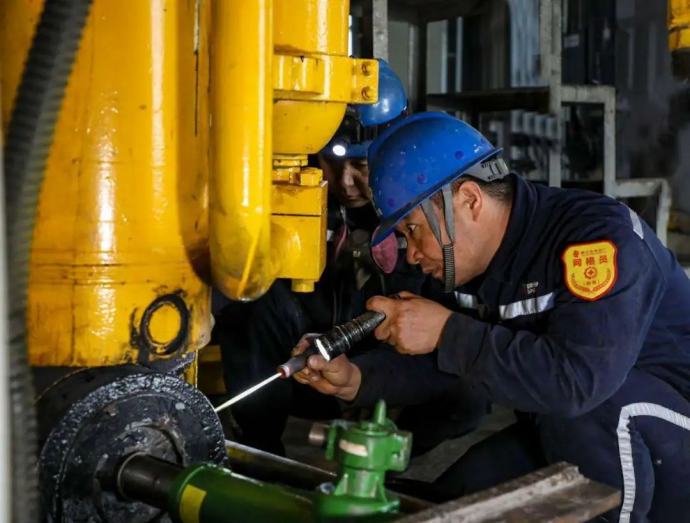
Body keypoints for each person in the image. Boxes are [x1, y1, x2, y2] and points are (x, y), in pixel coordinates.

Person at [294, 112, 690, 522]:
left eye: (412, 230)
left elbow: (579, 383)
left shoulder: (596, 238)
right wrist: (357, 379)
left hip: (664, 436)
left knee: (593, 405)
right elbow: (454, 363)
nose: (411, 254)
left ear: (469, 200)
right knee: (455, 505)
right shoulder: (476, 264)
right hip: (570, 427)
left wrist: (446, 332)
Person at [216, 66, 489, 457]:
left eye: (361, 167)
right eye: (332, 162)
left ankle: (386, 458)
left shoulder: (428, 211)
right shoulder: (290, 196)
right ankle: (259, 455)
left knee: (470, 391)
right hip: (304, 373)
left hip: (391, 377)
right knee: (252, 303)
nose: (345, 183)